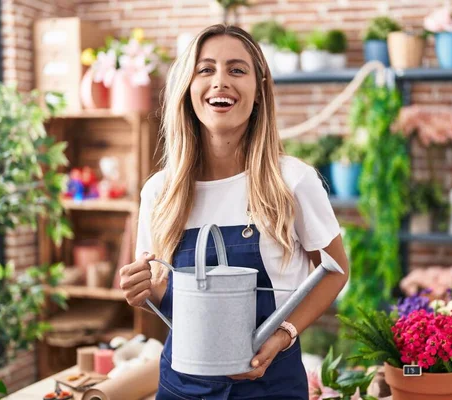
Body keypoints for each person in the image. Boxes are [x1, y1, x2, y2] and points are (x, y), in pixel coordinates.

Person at [119, 24, 350, 400]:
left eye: (237, 70)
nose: (220, 81)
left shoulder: (292, 180)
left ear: (259, 91)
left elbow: (335, 270)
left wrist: (284, 334)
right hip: (181, 387)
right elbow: (163, 290)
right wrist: (140, 290)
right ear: (187, 88)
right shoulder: (160, 191)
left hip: (271, 385)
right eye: (205, 69)